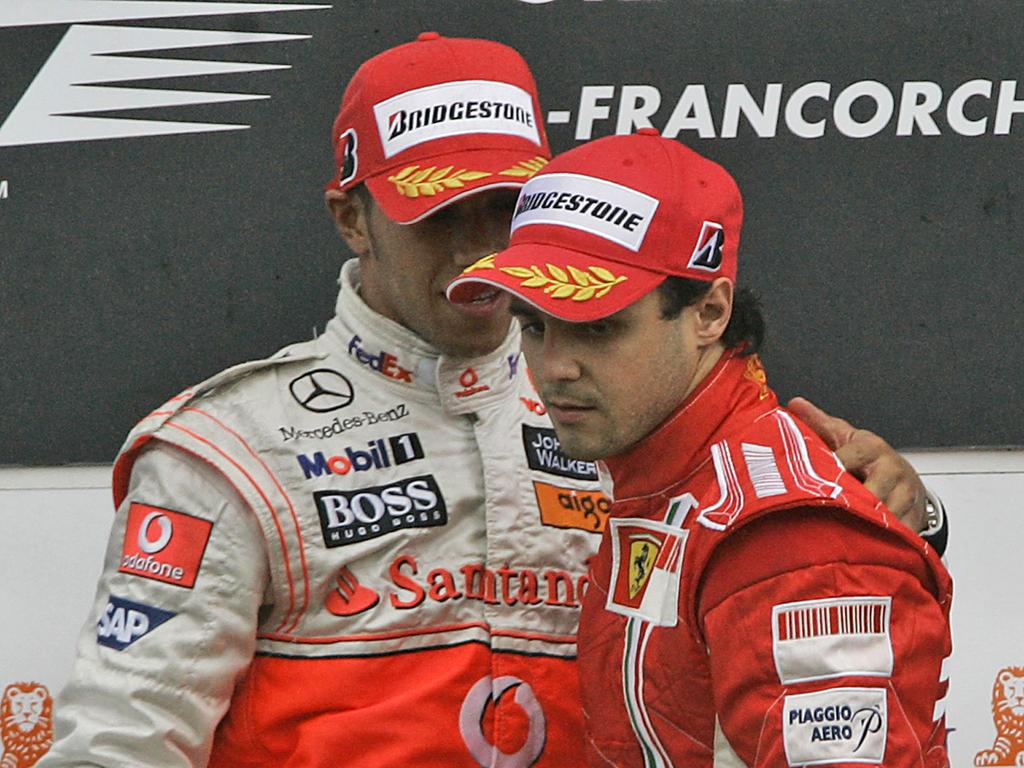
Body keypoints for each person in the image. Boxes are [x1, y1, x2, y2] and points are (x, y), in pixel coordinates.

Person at [42, 35, 943, 768]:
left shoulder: (632, 414)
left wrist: (905, 514)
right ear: (352, 217)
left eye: (508, 210)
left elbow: (789, 593)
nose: (479, 253)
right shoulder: (229, 448)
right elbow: (121, 738)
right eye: (442, 215)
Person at [446, 130, 953, 766]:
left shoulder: (785, 542)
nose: (555, 368)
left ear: (709, 312)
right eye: (534, 326)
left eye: (599, 327)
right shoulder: (666, 480)